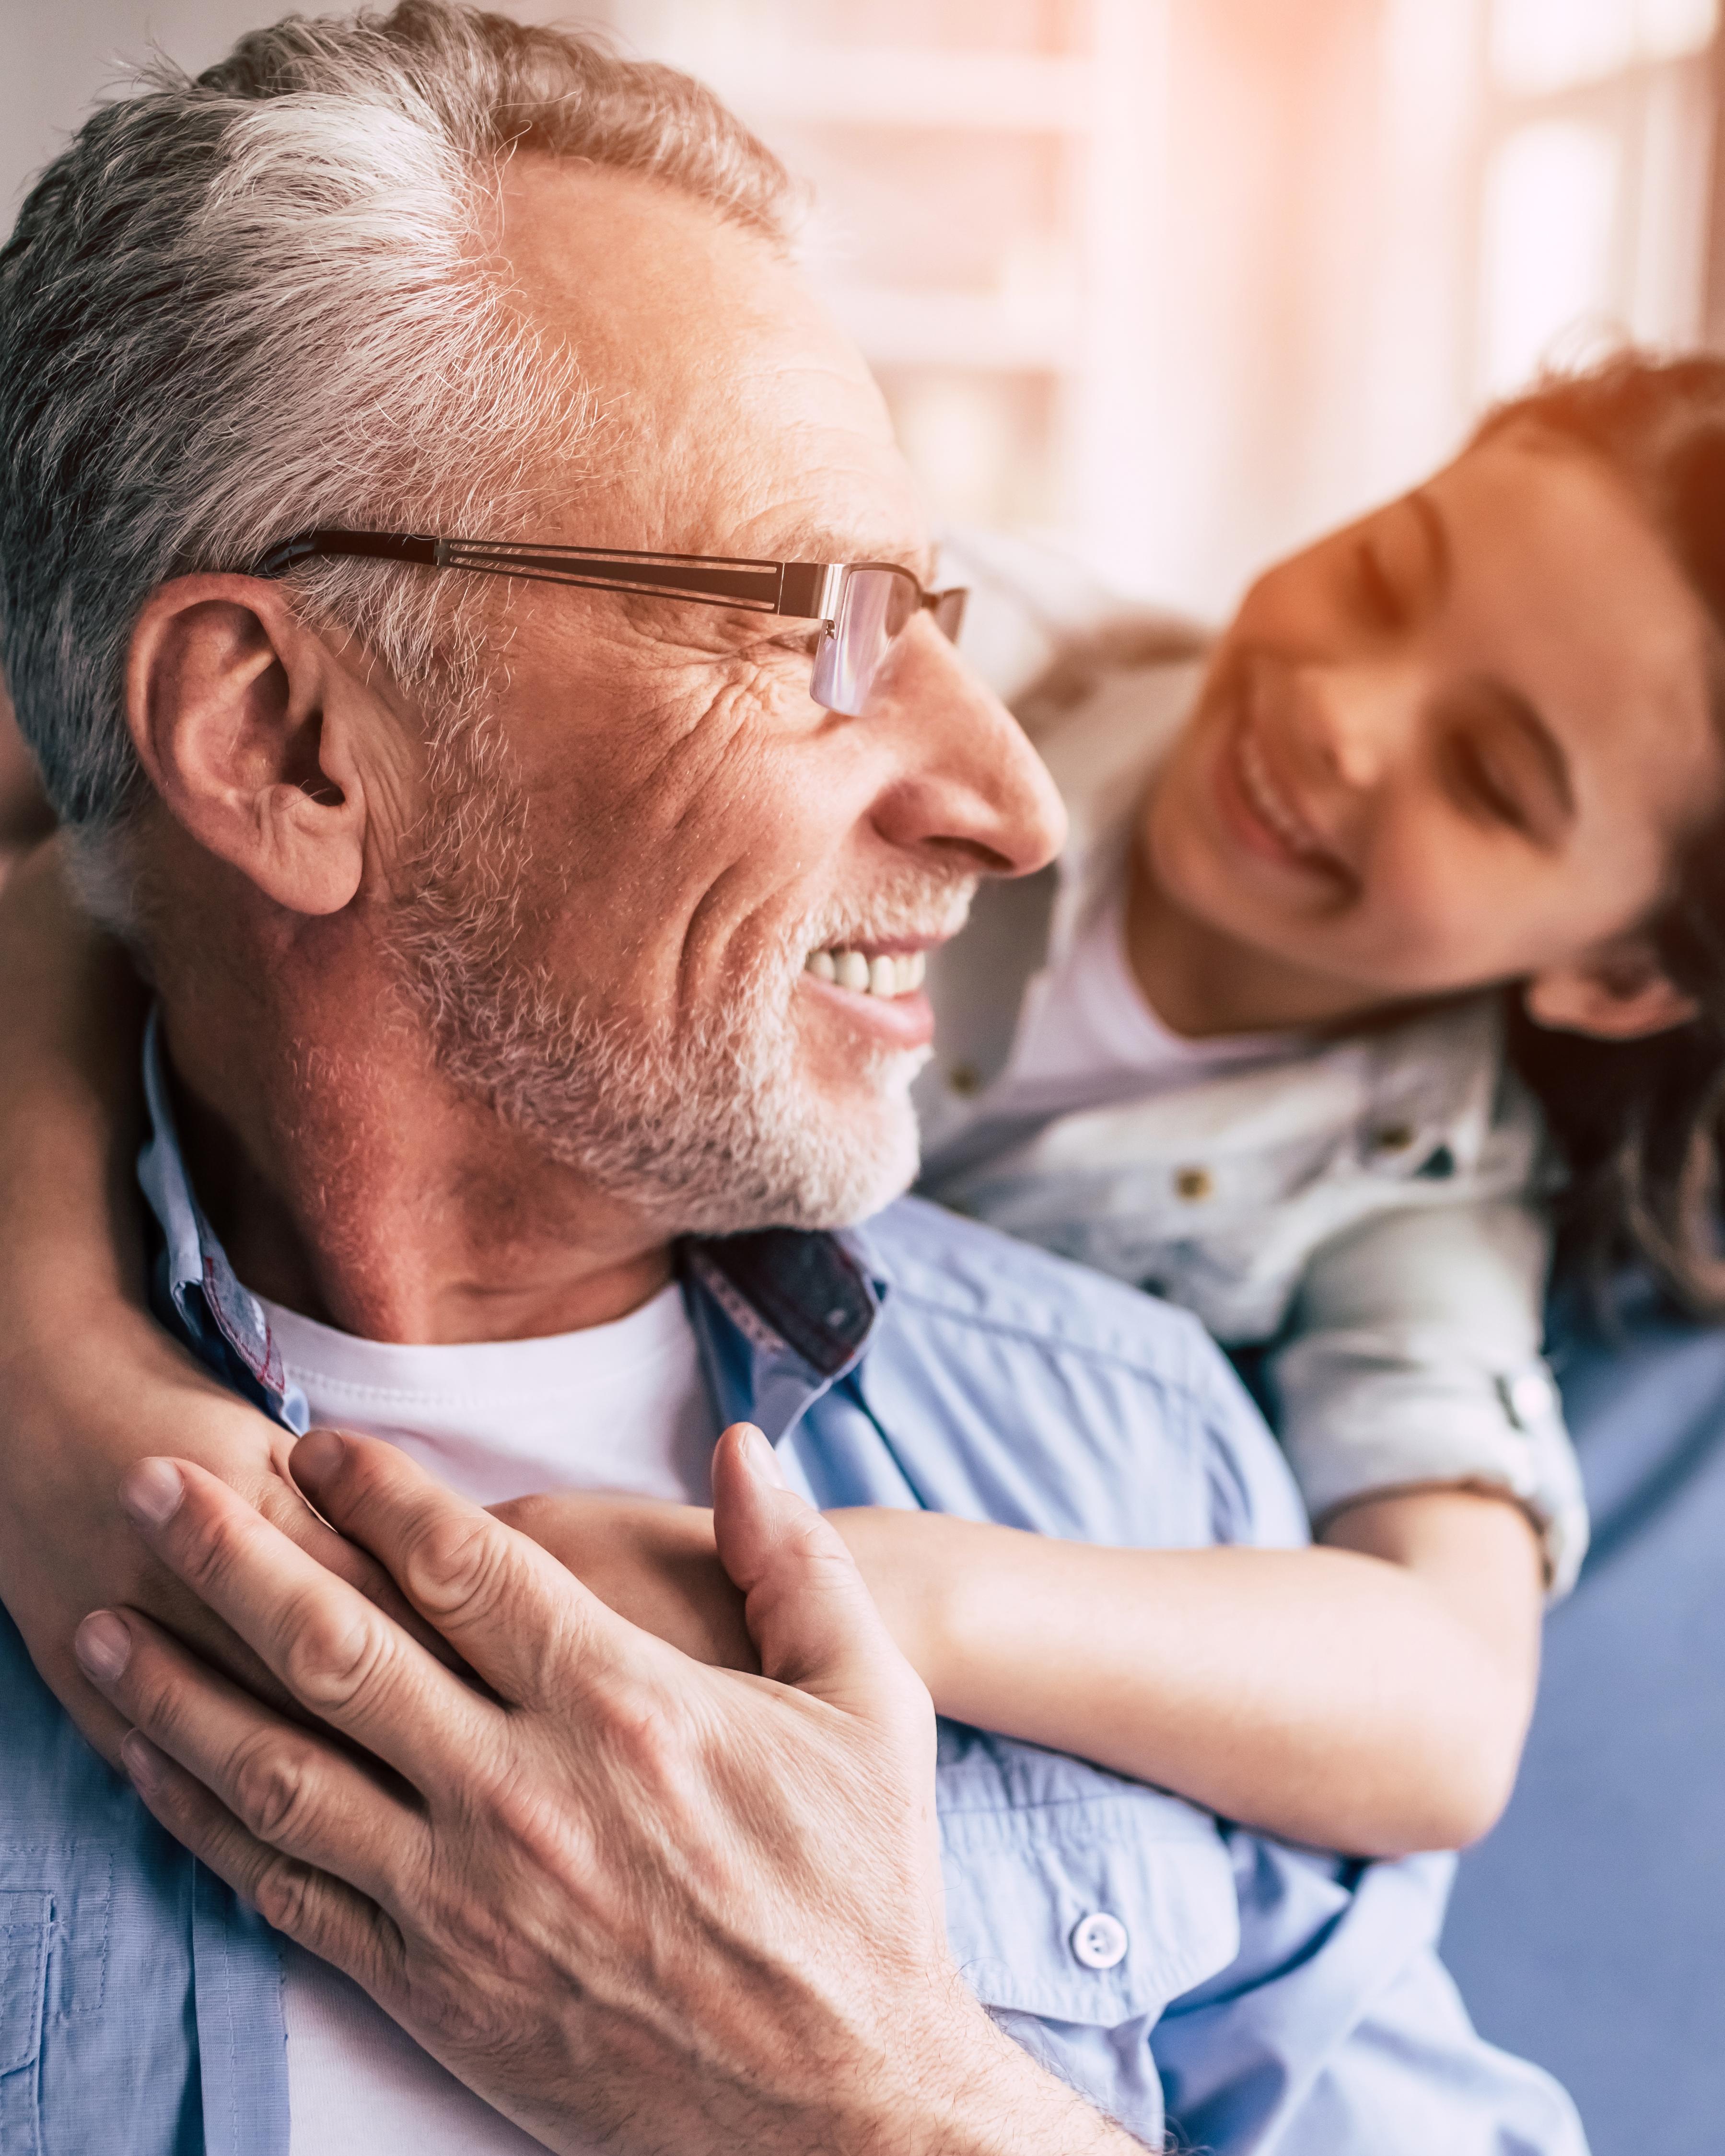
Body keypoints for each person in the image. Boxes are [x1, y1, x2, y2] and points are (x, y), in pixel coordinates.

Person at [0, 5, 1592, 2152]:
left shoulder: (1141, 1461)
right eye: (817, 620)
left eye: (938, 608)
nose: (1013, 804)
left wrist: (859, 2094)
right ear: (283, 744)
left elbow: (1444, 1704)